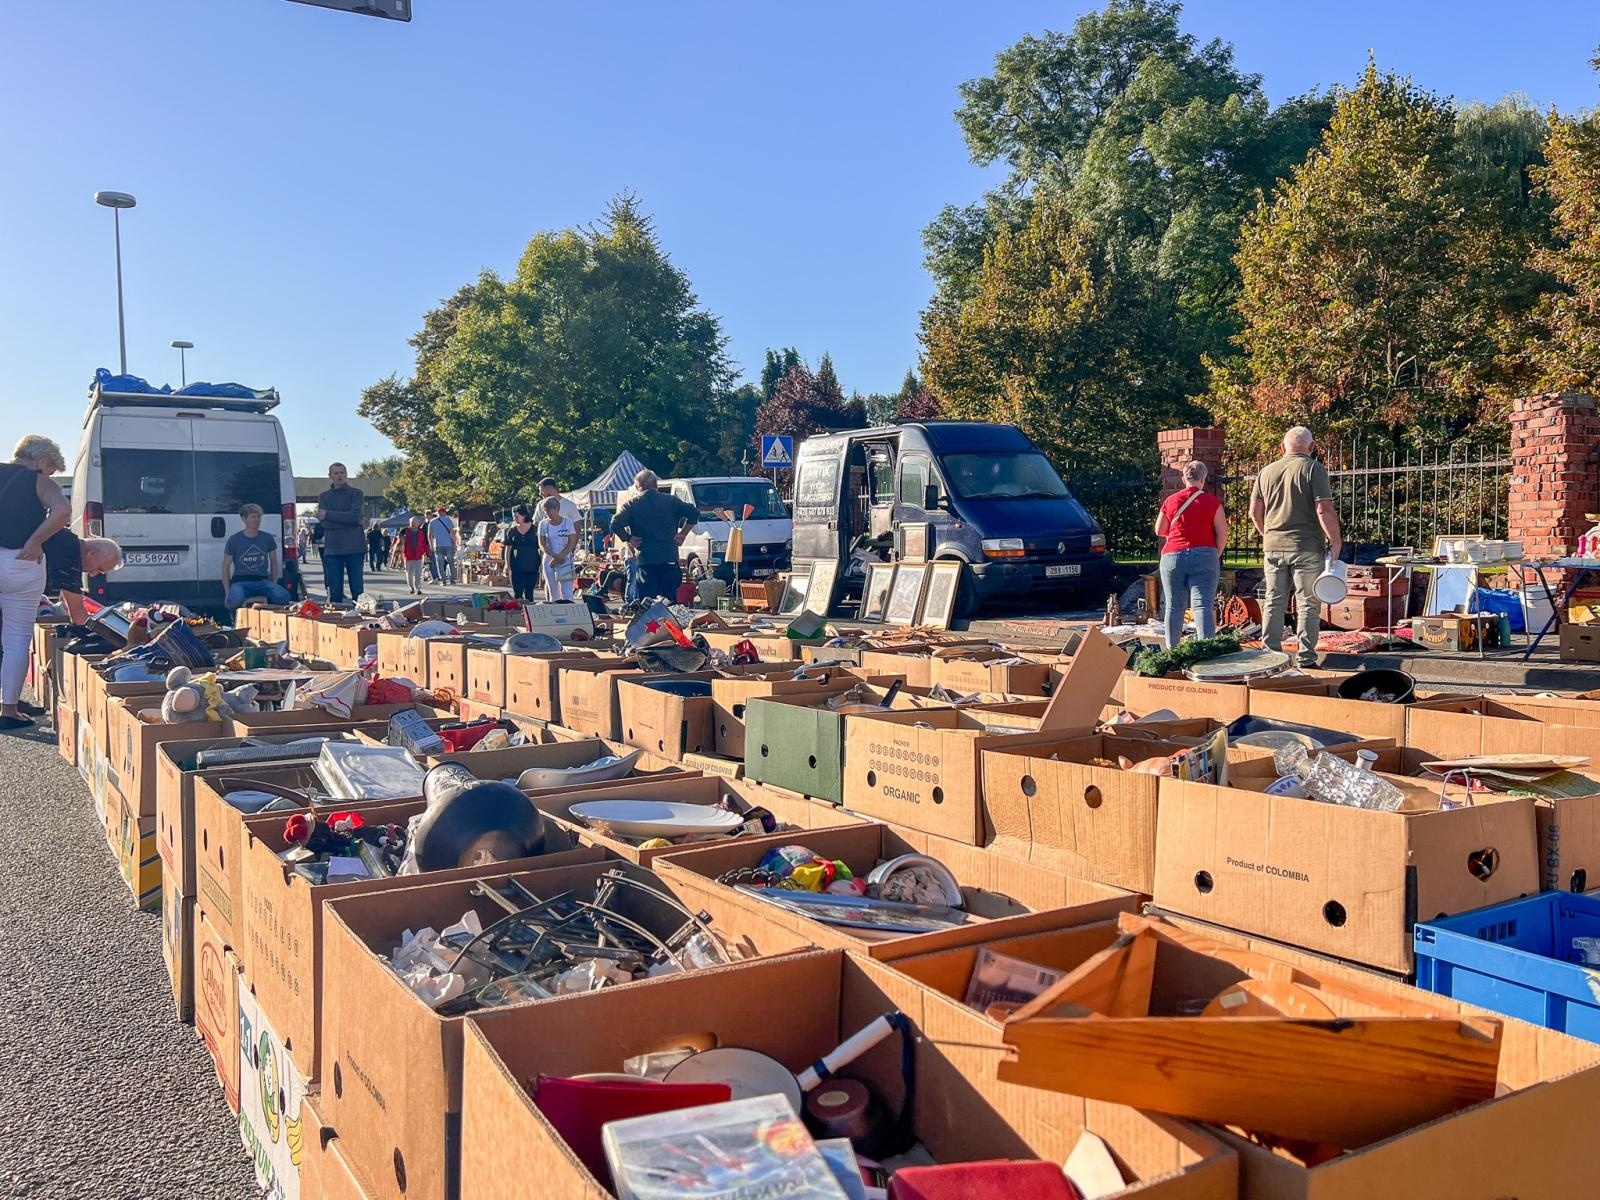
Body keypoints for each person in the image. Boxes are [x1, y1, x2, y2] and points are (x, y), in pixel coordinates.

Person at [1250, 426, 1344, 668]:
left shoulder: (1266, 472)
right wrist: (1335, 540)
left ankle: (1269, 655)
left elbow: (1254, 513)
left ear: (1282, 447)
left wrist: (1268, 533)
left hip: (1272, 546)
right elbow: (1323, 508)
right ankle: (1306, 658)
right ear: (1311, 448)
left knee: (1273, 601)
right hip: (1306, 546)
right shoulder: (1314, 468)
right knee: (1308, 603)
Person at [0, 435, 69, 730]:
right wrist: (36, 539)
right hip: (22, 562)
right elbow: (63, 511)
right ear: (42, 461)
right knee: (16, 639)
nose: (49, 475)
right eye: (51, 469)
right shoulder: (37, 481)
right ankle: (9, 709)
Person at [1154, 461, 1228, 649]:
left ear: (1184, 478)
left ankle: (1172, 650)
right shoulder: (1212, 502)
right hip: (1205, 554)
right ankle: (1206, 652)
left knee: (1174, 606)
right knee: (1202, 605)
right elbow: (1222, 533)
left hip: (1172, 556)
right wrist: (1214, 554)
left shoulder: (1170, 501)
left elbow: (1160, 530)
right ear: (1203, 479)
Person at [607, 470, 699, 602]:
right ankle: (669, 622)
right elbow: (694, 514)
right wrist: (683, 533)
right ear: (656, 484)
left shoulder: (632, 505)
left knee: (647, 603)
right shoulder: (671, 501)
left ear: (639, 486)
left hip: (646, 560)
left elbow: (615, 523)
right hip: (669, 558)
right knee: (670, 602)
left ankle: (650, 622)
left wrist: (628, 538)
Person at [222, 503, 293, 619]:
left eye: (258, 517)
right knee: (232, 601)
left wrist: (273, 584)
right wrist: (227, 591)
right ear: (244, 519)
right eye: (253, 517)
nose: (256, 520)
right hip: (240, 582)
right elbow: (225, 567)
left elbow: (274, 563)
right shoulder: (234, 540)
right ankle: (235, 620)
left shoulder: (267, 538)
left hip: (263, 581)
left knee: (283, 596)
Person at [43, 529, 122, 624]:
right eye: (99, 569)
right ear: (92, 554)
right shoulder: (72, 556)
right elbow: (78, 614)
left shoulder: (67, 540)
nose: (94, 574)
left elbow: (66, 602)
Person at [316, 462, 367, 604]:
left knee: (358, 591)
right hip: (333, 548)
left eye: (342, 472)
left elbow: (355, 516)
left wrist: (328, 514)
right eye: (336, 473)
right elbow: (325, 524)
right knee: (335, 591)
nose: (339, 476)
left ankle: (361, 619)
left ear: (346, 474)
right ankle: (335, 621)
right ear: (330, 476)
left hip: (355, 547)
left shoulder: (356, 493)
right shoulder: (324, 497)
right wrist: (351, 520)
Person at [537, 495, 579, 602]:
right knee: (554, 592)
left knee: (567, 592)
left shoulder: (567, 522)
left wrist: (560, 556)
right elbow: (542, 544)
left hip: (565, 559)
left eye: (549, 511)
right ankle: (555, 614)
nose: (547, 514)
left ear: (557, 509)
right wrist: (555, 556)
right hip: (549, 560)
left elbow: (572, 542)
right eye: (545, 511)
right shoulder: (543, 524)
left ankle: (569, 613)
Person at [503, 505, 541, 601]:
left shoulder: (535, 530)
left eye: (517, 516)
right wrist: (507, 564)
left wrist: (541, 565)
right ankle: (518, 614)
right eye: (514, 516)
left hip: (532, 565)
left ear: (524, 515)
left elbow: (541, 548)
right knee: (518, 593)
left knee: (529, 593)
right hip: (516, 566)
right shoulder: (511, 531)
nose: (515, 519)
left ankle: (529, 613)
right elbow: (508, 549)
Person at [399, 515, 430, 594]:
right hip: (408, 555)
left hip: (418, 555)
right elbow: (400, 537)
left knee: (418, 573)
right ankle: (411, 587)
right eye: (412, 522)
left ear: (418, 523)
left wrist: (427, 554)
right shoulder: (405, 530)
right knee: (409, 572)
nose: (414, 523)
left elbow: (425, 543)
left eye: (415, 522)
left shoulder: (421, 531)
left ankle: (418, 588)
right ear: (409, 523)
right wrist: (402, 540)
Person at [428, 507, 457, 586]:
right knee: (451, 562)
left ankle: (443, 580)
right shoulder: (448, 520)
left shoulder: (432, 521)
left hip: (437, 545)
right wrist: (454, 543)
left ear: (437, 513)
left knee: (440, 563)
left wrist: (431, 545)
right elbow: (452, 532)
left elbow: (429, 534)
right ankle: (452, 580)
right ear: (444, 512)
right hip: (448, 545)